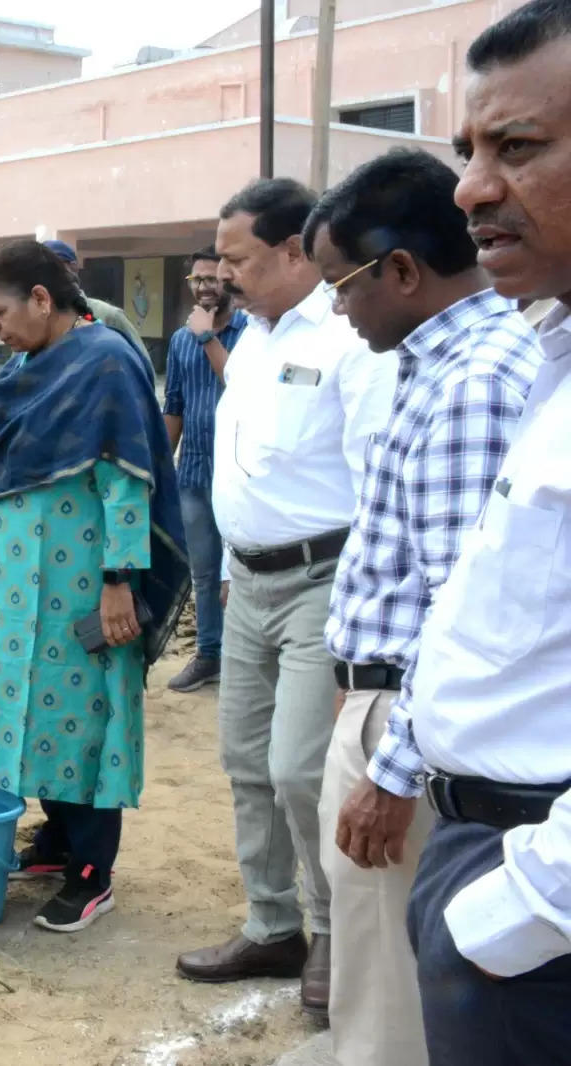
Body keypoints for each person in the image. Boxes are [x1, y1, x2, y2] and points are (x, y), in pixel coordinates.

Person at [306, 148, 542, 1066]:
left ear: (401, 271)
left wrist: (391, 768)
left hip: (411, 720)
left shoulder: (470, 386)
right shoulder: (458, 358)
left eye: (341, 284)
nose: (337, 306)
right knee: (385, 963)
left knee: (387, 988)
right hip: (392, 703)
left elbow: (460, 607)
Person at [369, 5, 571, 1062]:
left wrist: (509, 917)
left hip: (534, 913)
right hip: (485, 855)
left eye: (519, 148)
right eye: (468, 152)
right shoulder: (551, 358)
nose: (471, 188)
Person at [173, 178, 397, 1019]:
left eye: (237, 258)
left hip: (324, 583)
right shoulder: (253, 341)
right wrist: (230, 566)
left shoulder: (351, 341)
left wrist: (365, 629)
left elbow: (378, 486)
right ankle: (271, 923)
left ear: (296, 250)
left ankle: (333, 927)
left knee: (301, 769)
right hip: (250, 582)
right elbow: (239, 465)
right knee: (244, 764)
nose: (222, 274)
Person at [0, 240, 188, 931]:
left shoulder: (106, 361)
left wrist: (121, 581)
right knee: (25, 709)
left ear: (40, 297)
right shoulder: (28, 367)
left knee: (86, 715)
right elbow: (8, 479)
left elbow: (126, 479)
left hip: (82, 579)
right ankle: (58, 838)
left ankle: (93, 870)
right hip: (14, 581)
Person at [162, 247, 248, 693]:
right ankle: (209, 655)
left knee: (241, 574)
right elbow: (173, 406)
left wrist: (206, 338)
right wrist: (160, 466)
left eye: (212, 278)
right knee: (204, 572)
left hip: (241, 475)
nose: (203, 287)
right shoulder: (180, 341)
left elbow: (243, 385)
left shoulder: (250, 332)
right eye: (196, 280)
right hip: (194, 472)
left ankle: (241, 662)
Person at [42, 240, 153, 370]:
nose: (44, 276)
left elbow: (142, 366)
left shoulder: (108, 316)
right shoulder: (34, 320)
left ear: (73, 268)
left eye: (51, 268)